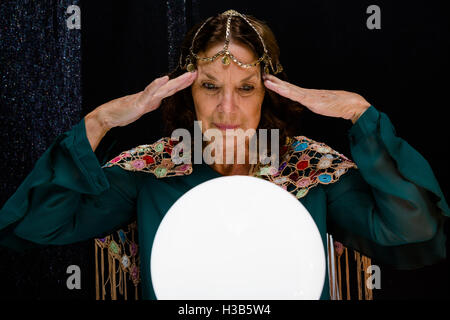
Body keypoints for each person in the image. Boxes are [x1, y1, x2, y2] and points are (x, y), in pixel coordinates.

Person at [0, 9, 448, 300]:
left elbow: (412, 225)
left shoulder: (309, 171)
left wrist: (359, 113)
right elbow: (39, 224)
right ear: (186, 93)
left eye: (246, 88)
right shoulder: (153, 170)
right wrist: (99, 121)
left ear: (267, 96)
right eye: (210, 86)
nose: (227, 108)